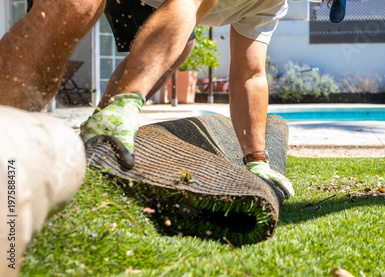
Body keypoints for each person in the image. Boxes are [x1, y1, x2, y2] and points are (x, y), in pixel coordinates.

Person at [0, 0, 346, 199]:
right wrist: (128, 100)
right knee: (75, 7)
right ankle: (5, 143)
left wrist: (256, 159)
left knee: (184, 43)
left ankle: (98, 133)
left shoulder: (271, 5)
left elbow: (249, 74)